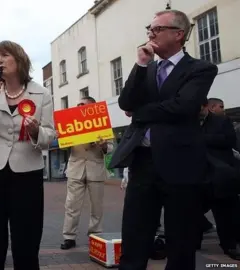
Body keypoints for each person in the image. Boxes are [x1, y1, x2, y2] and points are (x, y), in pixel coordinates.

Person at [111, 10, 218, 270]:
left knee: (181, 238)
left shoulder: (200, 69)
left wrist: (140, 112)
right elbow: (125, 101)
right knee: (135, 234)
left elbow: (183, 106)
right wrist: (140, 65)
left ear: (178, 34)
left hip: (181, 163)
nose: (150, 33)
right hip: (143, 162)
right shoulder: (147, 68)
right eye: (150, 28)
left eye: (157, 29)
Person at [0, 40, 56, 270]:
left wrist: (37, 131)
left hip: (27, 174)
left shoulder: (42, 93)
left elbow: (50, 137)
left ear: (19, 60)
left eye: (4, 55)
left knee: (26, 242)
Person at [60, 97, 114, 250]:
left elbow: (110, 148)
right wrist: (61, 138)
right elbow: (63, 147)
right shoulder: (71, 122)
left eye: (82, 104)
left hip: (95, 169)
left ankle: (95, 234)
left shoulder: (102, 123)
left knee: (97, 206)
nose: (79, 106)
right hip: (75, 168)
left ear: (92, 107)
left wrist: (104, 146)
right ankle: (69, 237)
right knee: (71, 205)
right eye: (78, 104)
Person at [196, 99, 240, 259]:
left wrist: (201, 139)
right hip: (197, 177)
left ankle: (229, 246)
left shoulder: (222, 121)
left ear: (206, 106)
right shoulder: (186, 122)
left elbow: (228, 140)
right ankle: (195, 239)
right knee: (192, 210)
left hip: (219, 176)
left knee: (226, 214)